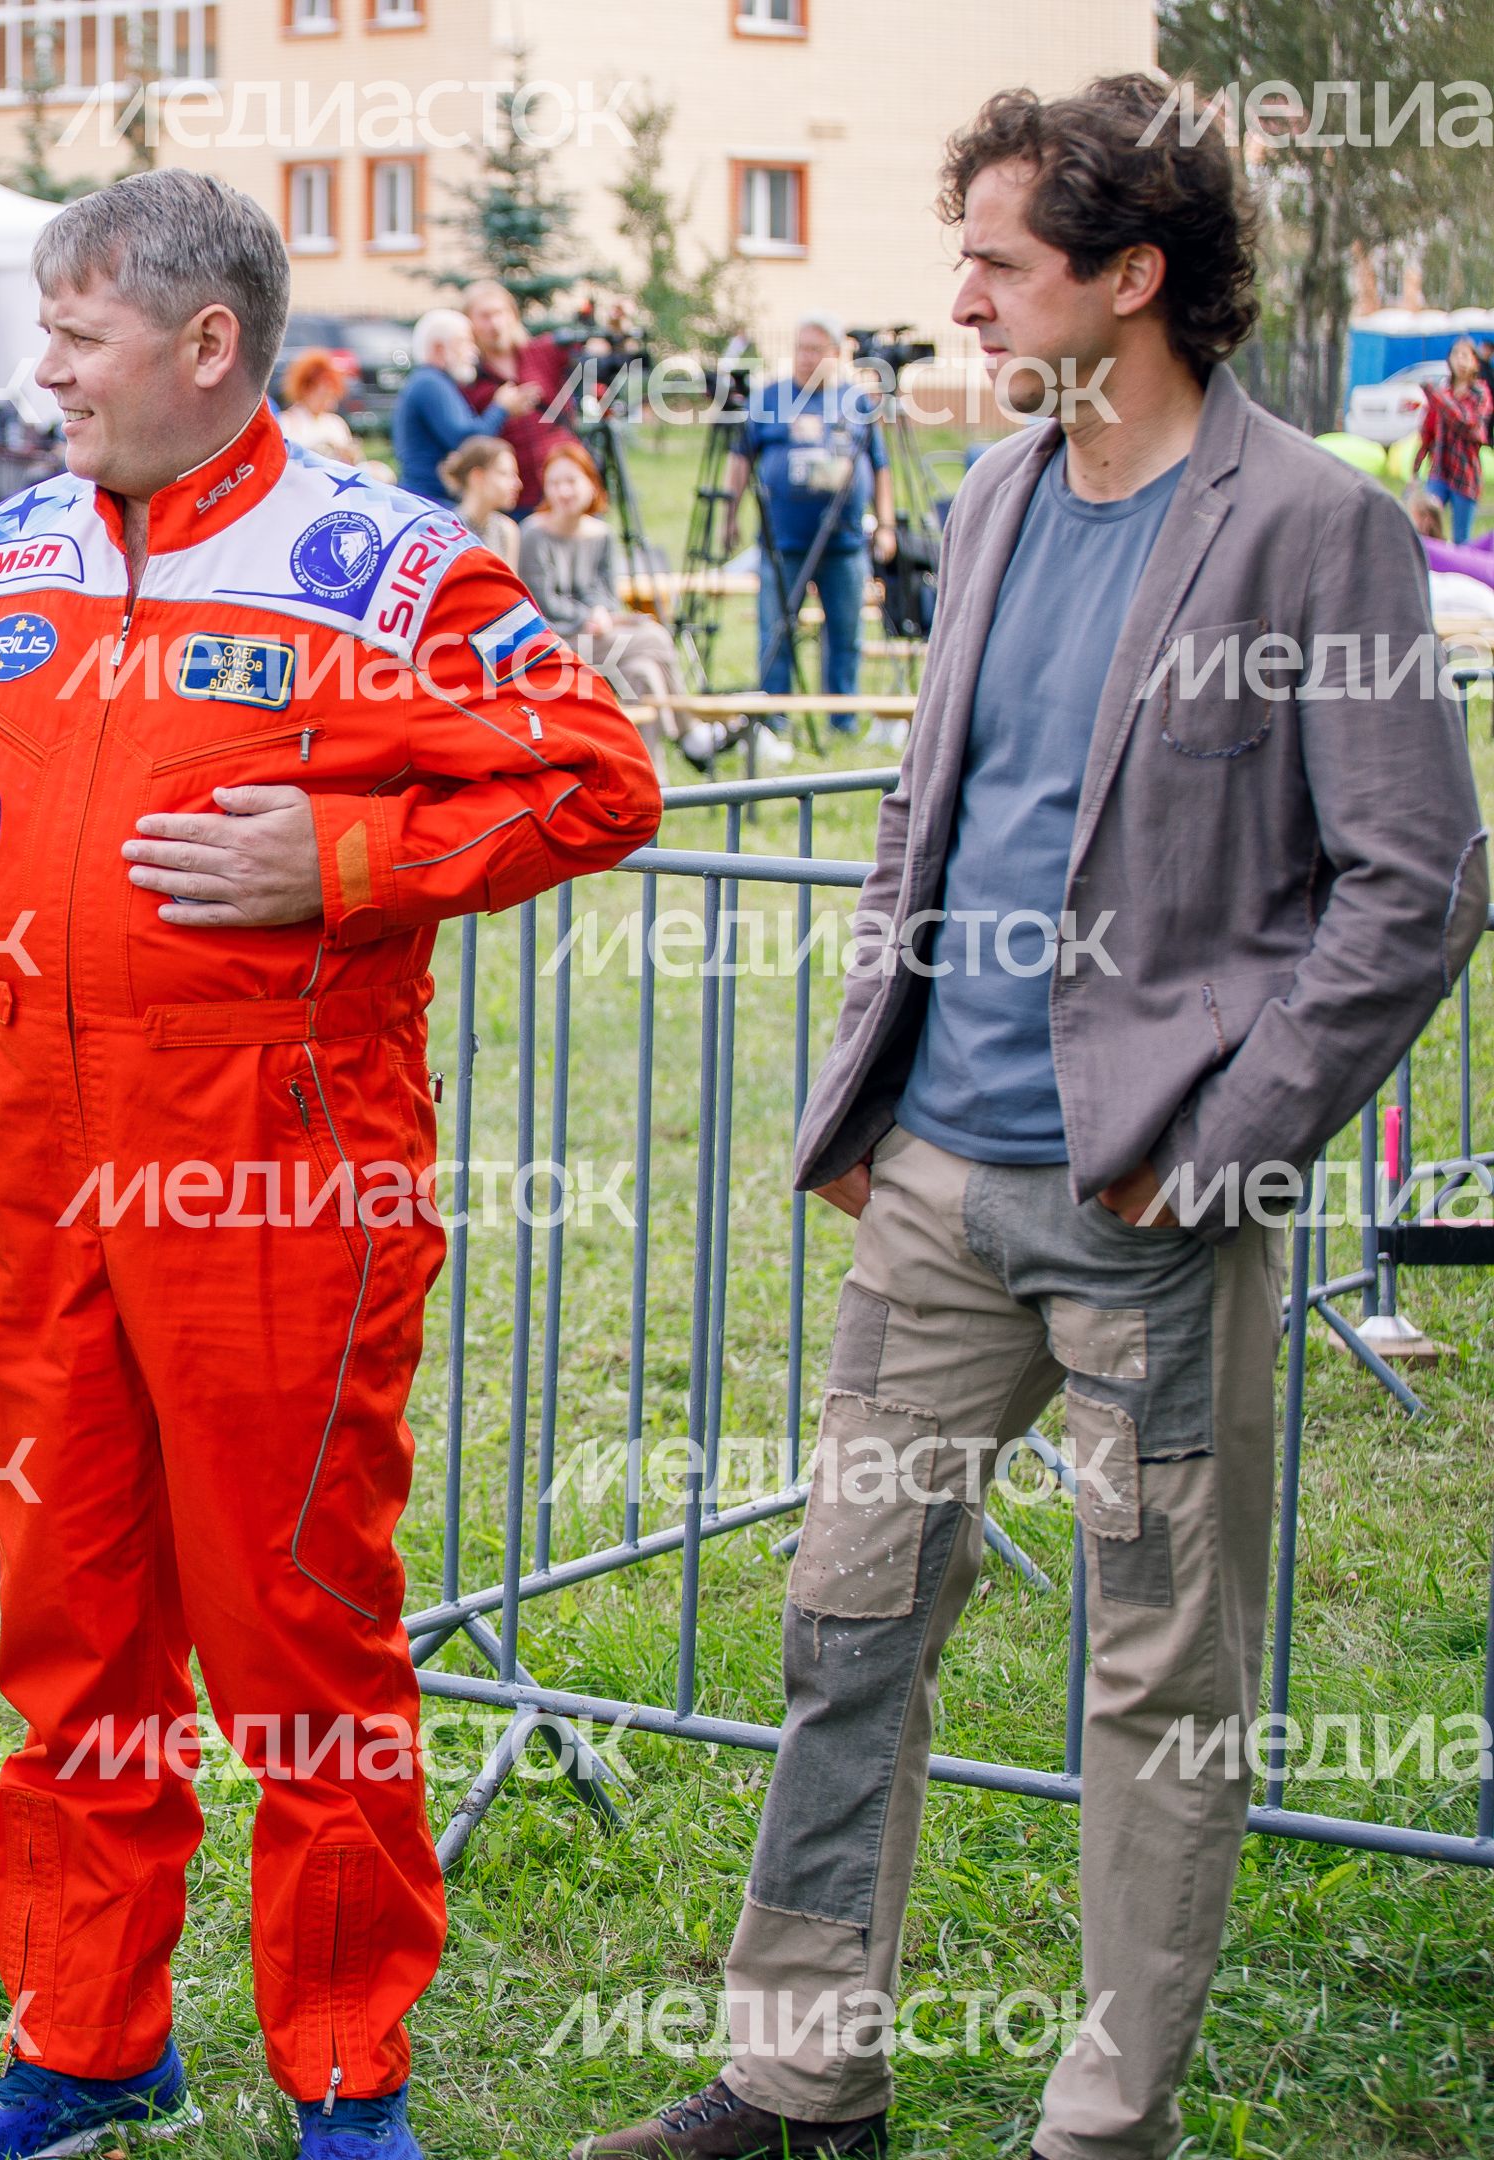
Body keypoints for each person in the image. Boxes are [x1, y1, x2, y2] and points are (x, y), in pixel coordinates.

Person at [580, 76, 1489, 2160]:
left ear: (1131, 275)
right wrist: (871, 1093)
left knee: (1156, 1676)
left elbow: (1412, 879)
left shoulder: (1312, 524)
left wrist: (1230, 1143)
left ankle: (1107, 2122)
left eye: (998, 260)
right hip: (934, 1192)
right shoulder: (993, 495)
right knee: (845, 1619)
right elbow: (934, 817)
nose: (964, 300)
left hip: (1148, 1209)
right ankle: (802, 2078)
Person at [0, 167, 660, 2160]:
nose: (41, 373)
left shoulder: (383, 569)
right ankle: (89, 2033)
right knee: (76, 1636)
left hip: (280, 1201)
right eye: (40, 330)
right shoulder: (2, 565)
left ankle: (339, 2068)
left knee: (299, 1640)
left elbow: (596, 778)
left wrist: (358, 860)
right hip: (38, 1200)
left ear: (207, 346)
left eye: (78, 336)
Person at [725, 313, 897, 727]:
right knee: (776, 632)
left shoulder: (857, 401)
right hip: (783, 542)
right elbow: (740, 458)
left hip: (845, 543)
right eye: (800, 348)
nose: (805, 357)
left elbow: (881, 465)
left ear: (835, 354)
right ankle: (774, 719)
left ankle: (843, 718)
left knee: (846, 634)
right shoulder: (769, 397)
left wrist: (887, 525)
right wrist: (728, 518)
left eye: (815, 350)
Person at [520, 441, 695, 752]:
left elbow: (606, 593)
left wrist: (600, 611)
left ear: (591, 483)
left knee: (643, 673)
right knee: (654, 637)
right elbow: (542, 601)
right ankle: (689, 733)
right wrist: (586, 617)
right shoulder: (533, 534)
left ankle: (653, 775)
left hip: (601, 635)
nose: (564, 492)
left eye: (571, 481)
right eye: (555, 483)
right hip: (558, 639)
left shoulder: (600, 534)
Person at [458, 277, 579, 514]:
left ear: (513, 315)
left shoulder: (541, 352)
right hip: (515, 496)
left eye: (500, 313)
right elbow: (468, 436)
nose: (495, 324)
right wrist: (500, 410)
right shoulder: (467, 377)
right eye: (484, 316)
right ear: (470, 323)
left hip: (563, 484)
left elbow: (593, 354)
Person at [390, 307, 522, 508]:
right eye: (464, 341)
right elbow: (467, 441)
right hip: (430, 501)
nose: (474, 351)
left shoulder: (434, 381)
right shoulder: (430, 383)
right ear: (438, 348)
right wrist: (500, 408)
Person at [1411, 334, 1486, 545]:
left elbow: (1467, 422)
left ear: (1474, 362)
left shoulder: (1480, 394)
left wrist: (1437, 397)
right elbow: (1428, 433)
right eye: (1456, 354)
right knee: (1426, 519)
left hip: (1465, 475)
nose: (1460, 360)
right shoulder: (1442, 393)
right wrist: (1415, 468)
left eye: (1466, 356)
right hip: (1440, 471)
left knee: (1461, 538)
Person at [275, 349, 388, 479]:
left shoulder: (336, 423)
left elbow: (354, 464)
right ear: (306, 389)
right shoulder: (288, 422)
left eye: (331, 394)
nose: (328, 401)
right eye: (323, 394)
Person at [437, 434, 521, 574]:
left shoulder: (507, 529)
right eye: (504, 474)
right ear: (477, 476)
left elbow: (512, 592)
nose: (517, 484)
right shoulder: (446, 529)